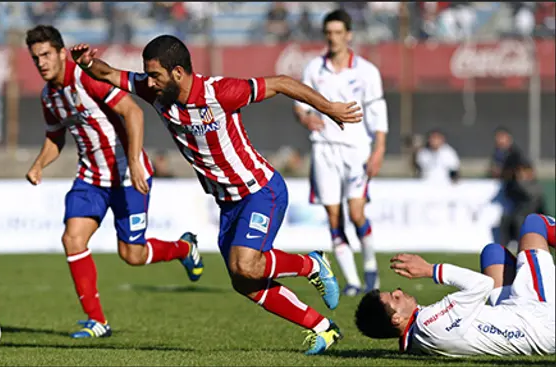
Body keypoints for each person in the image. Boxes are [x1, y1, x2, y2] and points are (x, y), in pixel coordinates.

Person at [70, 34, 364, 355]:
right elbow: (109, 73)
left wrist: (329, 108)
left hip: (260, 190)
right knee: (245, 283)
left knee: (247, 265)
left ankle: (312, 265)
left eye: (155, 75)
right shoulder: (154, 91)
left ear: (178, 73)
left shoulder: (220, 92)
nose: (149, 82)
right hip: (227, 203)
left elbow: (280, 82)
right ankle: (323, 328)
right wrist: (87, 63)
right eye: (147, 75)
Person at [24, 26, 204, 339]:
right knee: (73, 239)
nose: (41, 62)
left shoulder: (86, 77)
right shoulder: (49, 96)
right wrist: (39, 165)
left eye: (46, 55)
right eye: (35, 57)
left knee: (132, 255)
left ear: (61, 53)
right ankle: (97, 321)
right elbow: (55, 137)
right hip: (90, 178)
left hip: (125, 174)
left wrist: (134, 161)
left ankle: (185, 248)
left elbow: (133, 112)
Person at [354, 213, 555, 357]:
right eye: (394, 298)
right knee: (534, 224)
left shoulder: (416, 338)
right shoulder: (430, 323)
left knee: (493, 253)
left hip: (519, 319)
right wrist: (430, 270)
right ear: (396, 319)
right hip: (540, 317)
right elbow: (483, 284)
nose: (399, 291)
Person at [293, 9, 388, 296]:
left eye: (338, 32)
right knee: (334, 218)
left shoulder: (366, 71)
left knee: (356, 213)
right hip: (323, 150)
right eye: (328, 33)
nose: (333, 38)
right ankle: (353, 281)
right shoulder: (313, 69)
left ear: (348, 35)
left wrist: (379, 150)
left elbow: (377, 112)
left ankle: (370, 268)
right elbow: (300, 104)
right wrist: (305, 117)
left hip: (356, 150)